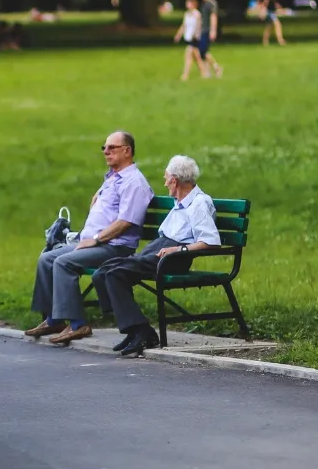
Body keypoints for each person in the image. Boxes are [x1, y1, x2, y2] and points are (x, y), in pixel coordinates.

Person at [25, 131, 154, 344]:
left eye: (112, 147)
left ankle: (78, 324)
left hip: (114, 247)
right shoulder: (113, 179)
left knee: (63, 263)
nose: (106, 151)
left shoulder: (134, 182)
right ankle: (54, 318)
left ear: (127, 151)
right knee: (46, 258)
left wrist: (95, 240)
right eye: (104, 147)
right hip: (95, 242)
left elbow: (126, 222)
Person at [91, 155, 221, 356]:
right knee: (103, 271)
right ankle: (133, 329)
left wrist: (178, 250)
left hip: (173, 258)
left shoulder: (199, 203)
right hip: (160, 250)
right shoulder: (180, 202)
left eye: (166, 177)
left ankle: (141, 331)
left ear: (174, 181)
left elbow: (210, 241)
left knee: (115, 274)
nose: (164, 181)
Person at [172, 0, 207, 82]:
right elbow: (184, 25)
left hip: (194, 38)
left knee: (188, 56)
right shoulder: (187, 14)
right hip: (188, 37)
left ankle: (185, 75)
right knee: (197, 57)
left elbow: (198, 25)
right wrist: (178, 35)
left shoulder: (197, 14)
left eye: (189, 3)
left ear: (193, 4)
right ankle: (204, 73)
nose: (187, 5)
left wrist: (195, 34)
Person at [198, 0, 224, 78]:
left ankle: (216, 67)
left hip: (208, 30)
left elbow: (214, 17)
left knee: (202, 51)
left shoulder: (212, 3)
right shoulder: (204, 4)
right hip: (202, 29)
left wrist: (213, 31)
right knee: (204, 51)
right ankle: (207, 72)